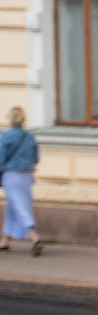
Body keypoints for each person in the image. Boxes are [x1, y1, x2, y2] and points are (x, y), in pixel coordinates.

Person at [0, 107, 37, 256]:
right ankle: (5, 241)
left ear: (11, 119)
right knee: (13, 207)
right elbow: (35, 159)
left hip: (11, 176)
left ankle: (35, 238)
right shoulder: (30, 138)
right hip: (27, 176)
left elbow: (0, 159)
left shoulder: (6, 137)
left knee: (19, 207)